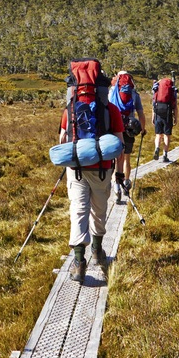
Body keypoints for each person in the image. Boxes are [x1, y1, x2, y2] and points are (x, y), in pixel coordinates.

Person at [59, 59, 125, 283]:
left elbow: (62, 139)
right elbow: (119, 145)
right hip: (103, 168)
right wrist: (119, 173)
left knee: (78, 210)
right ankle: (97, 252)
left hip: (75, 167)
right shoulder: (111, 110)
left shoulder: (70, 109)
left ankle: (79, 262)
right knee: (99, 210)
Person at [108, 71, 145, 204]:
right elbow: (141, 114)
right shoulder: (134, 94)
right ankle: (125, 185)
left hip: (114, 128)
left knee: (116, 158)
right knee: (126, 158)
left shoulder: (112, 91)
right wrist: (142, 129)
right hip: (129, 128)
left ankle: (116, 188)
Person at [151, 75, 177, 162]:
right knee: (167, 136)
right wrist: (175, 118)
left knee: (158, 135)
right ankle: (165, 155)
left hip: (158, 113)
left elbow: (154, 103)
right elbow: (175, 106)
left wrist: (153, 117)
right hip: (168, 115)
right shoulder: (172, 90)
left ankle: (157, 147)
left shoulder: (157, 89)